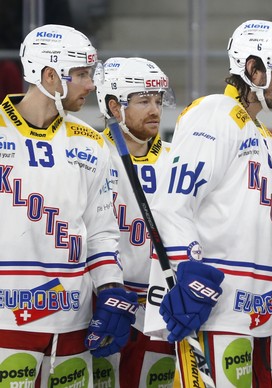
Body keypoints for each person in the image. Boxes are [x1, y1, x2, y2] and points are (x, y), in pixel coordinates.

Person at [143, 20, 272, 387]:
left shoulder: (261, 134)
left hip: (261, 311)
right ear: (253, 68)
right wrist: (188, 275)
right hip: (217, 309)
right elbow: (172, 203)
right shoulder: (215, 113)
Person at [0, 24, 137, 387]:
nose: (91, 85)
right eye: (81, 75)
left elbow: (103, 231)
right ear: (49, 76)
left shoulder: (91, 143)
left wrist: (110, 290)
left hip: (73, 321)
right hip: (6, 319)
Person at [94, 57, 176, 388]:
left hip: (158, 314)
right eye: (143, 101)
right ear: (114, 107)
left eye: (157, 100)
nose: (154, 110)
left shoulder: (177, 159)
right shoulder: (92, 152)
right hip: (102, 309)